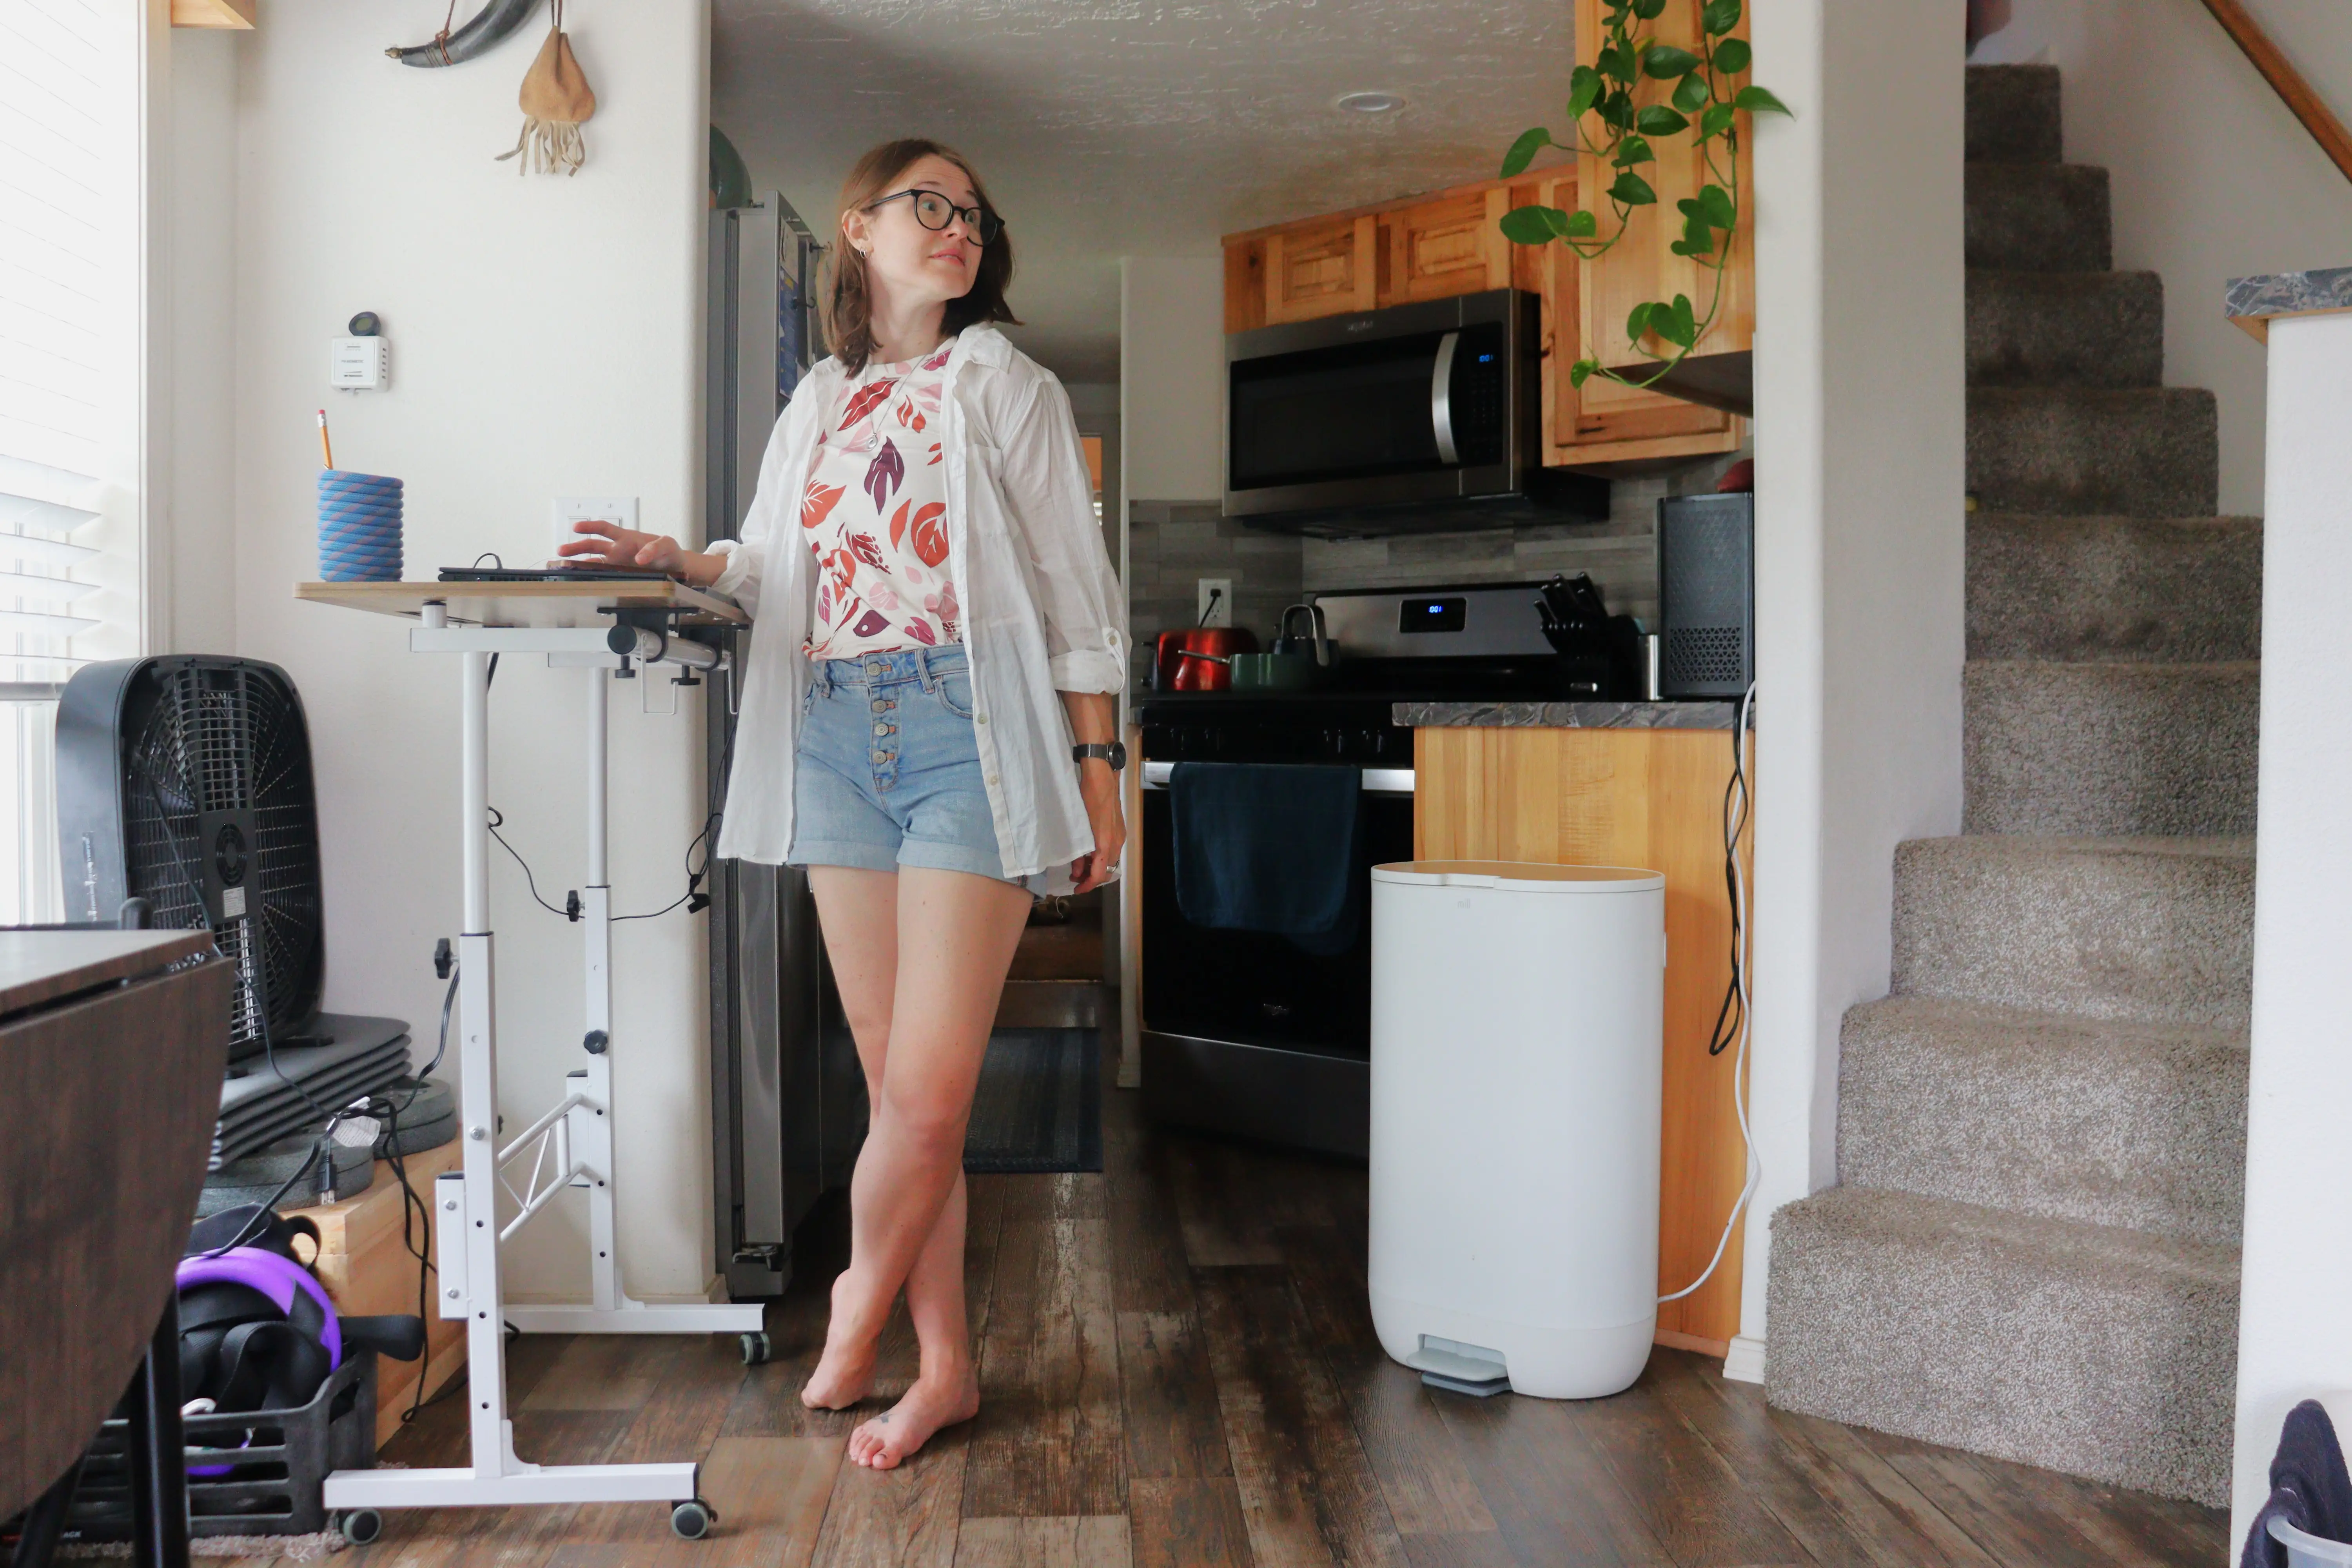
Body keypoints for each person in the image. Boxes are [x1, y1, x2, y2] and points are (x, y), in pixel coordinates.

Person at [557, 138, 1128, 1469]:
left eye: (976, 214)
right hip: (827, 735)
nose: (961, 227)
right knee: (890, 1093)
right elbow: (763, 560)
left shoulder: (1005, 385)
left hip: (963, 736)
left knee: (928, 1101)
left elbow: (1077, 600)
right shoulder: (819, 398)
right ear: (860, 231)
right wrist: (679, 559)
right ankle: (947, 1373)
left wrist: (1104, 771)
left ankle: (855, 1301)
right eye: (931, 205)